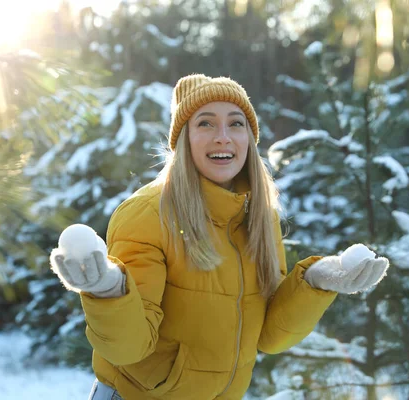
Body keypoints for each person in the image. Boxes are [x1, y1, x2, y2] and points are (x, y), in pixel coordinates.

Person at [50, 74, 390, 400]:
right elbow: (128, 348)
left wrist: (318, 281)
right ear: (184, 140)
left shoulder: (258, 216)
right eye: (205, 123)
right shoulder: (148, 214)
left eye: (236, 123)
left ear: (249, 139)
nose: (223, 137)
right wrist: (109, 290)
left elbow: (269, 336)